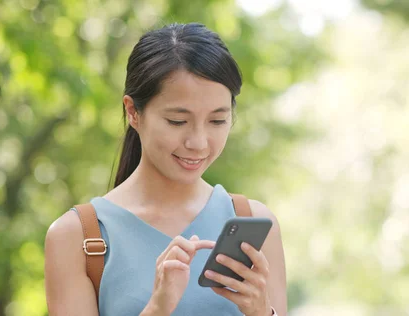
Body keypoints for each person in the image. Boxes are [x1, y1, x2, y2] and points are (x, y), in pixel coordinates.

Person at [44, 22, 287, 316]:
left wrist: (263, 313)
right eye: (177, 121)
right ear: (133, 112)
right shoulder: (77, 237)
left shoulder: (255, 222)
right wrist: (158, 307)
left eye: (217, 121)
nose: (198, 143)